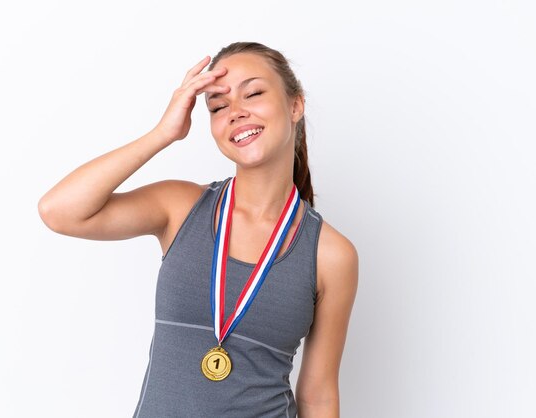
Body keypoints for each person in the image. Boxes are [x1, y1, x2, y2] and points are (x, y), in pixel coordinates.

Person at [38, 41, 358, 418]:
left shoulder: (331, 254)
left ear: (295, 105)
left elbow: (318, 396)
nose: (236, 112)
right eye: (219, 107)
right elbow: (59, 211)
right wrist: (163, 133)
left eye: (253, 93)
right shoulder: (180, 207)